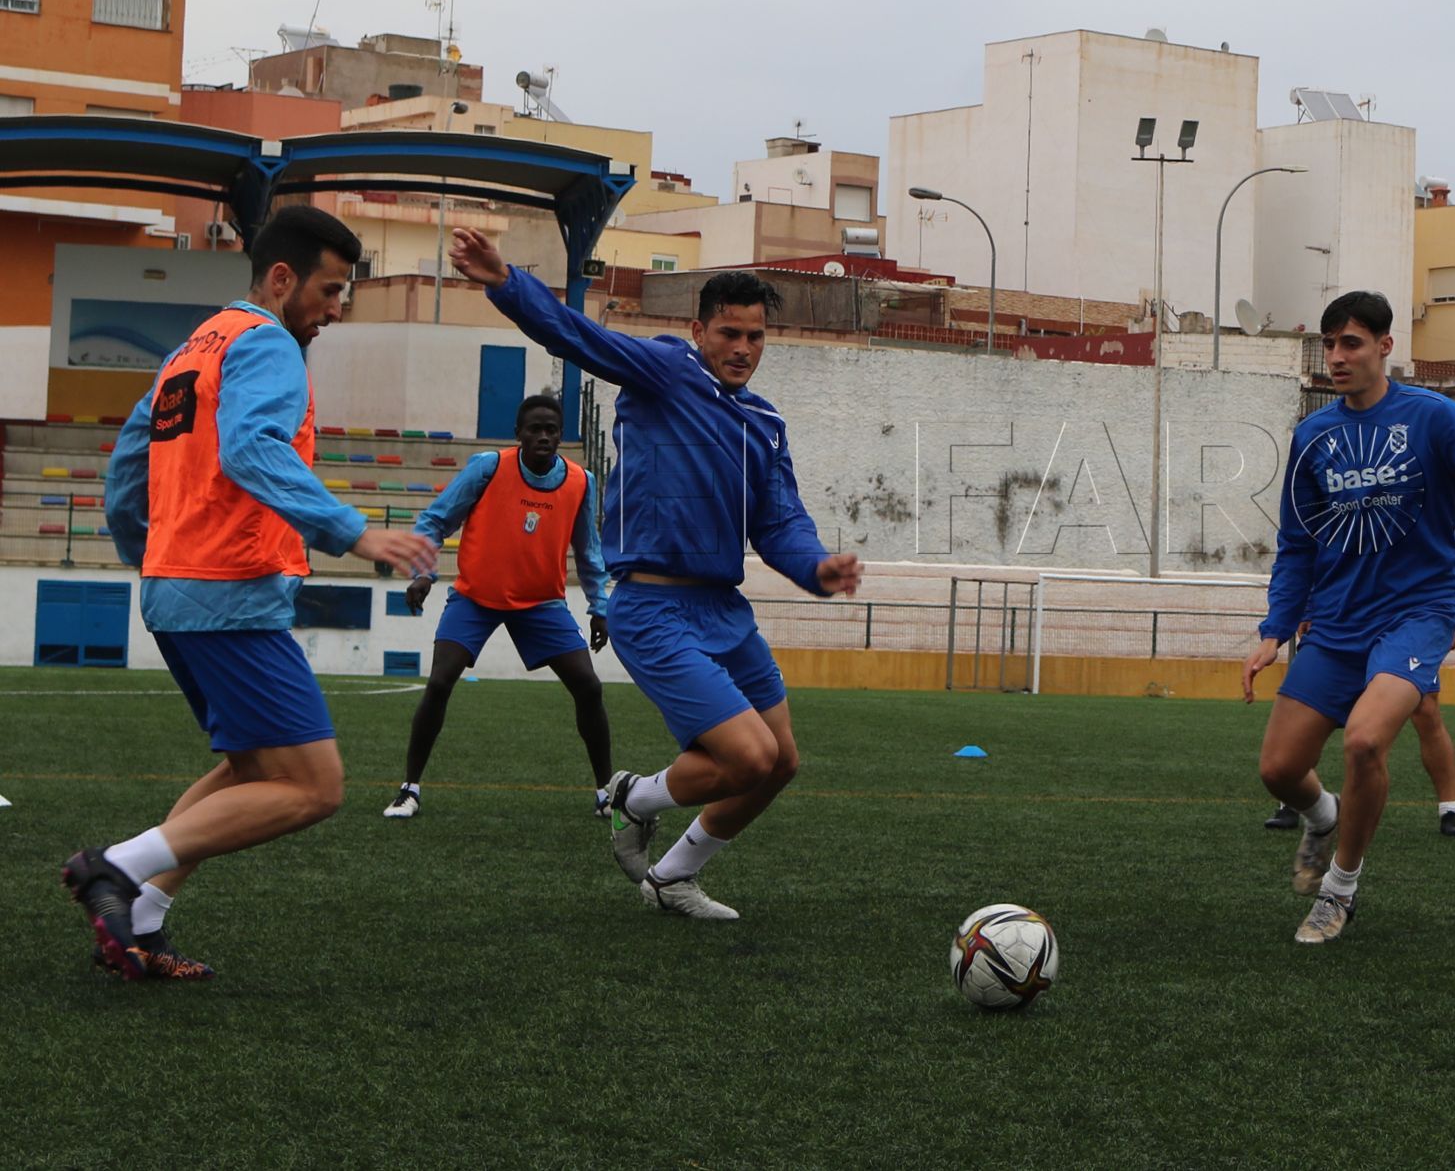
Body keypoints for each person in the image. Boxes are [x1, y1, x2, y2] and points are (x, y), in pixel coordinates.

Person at [68, 205, 438, 980]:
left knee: (250, 769)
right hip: (229, 593)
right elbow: (249, 448)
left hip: (177, 590)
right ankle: (115, 867)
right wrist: (354, 532)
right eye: (330, 291)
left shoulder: (191, 349)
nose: (335, 310)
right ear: (280, 278)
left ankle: (140, 921)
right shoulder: (269, 343)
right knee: (314, 786)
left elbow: (126, 472)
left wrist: (153, 558)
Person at [447, 227, 861, 920]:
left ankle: (673, 876)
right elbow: (580, 337)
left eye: (756, 336)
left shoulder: (765, 423)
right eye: (729, 333)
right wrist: (505, 282)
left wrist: (817, 566)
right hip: (654, 608)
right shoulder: (666, 370)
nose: (743, 348)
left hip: (724, 611)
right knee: (748, 757)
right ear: (699, 331)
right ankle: (632, 798)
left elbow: (780, 522)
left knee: (781, 761)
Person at [1242, 290, 1455, 945]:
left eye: (1351, 343)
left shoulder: (1434, 417)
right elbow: (1297, 544)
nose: (1337, 356)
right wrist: (1274, 630)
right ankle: (1324, 816)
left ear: (1384, 346)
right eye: (1329, 344)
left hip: (1420, 611)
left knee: (1365, 740)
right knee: (1279, 770)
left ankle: (1339, 891)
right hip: (1337, 618)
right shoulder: (1312, 437)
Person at [382, 392, 614, 821]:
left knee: (589, 686)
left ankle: (606, 793)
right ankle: (409, 788)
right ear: (518, 434)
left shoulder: (581, 482)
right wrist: (423, 572)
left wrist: (600, 607)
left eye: (551, 430)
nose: (543, 437)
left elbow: (590, 551)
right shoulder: (488, 467)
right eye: (534, 429)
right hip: (477, 598)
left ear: (560, 435)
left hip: (541, 604)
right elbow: (436, 520)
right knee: (440, 682)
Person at [1262, 632, 1455, 837]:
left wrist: (1454, 621)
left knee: (1426, 709)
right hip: (1342, 625)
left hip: (1403, 627)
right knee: (1312, 709)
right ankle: (1293, 800)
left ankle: (1450, 808)